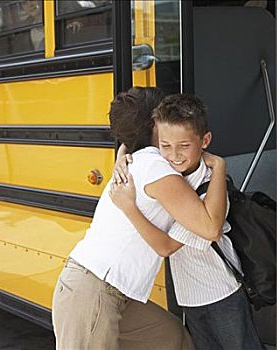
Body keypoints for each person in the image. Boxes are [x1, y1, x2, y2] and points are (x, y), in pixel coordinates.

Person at [51, 87, 224, 350]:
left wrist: (121, 153)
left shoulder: (139, 159)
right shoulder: (156, 167)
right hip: (93, 290)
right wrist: (220, 165)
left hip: (116, 294)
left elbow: (133, 147)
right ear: (155, 124)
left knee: (172, 339)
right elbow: (211, 228)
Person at [110, 94, 265, 350]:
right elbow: (135, 146)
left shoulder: (209, 190)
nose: (174, 155)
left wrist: (128, 207)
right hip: (190, 296)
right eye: (165, 146)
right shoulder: (165, 174)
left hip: (221, 293)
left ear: (205, 141)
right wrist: (121, 154)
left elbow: (168, 245)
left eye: (184, 146)